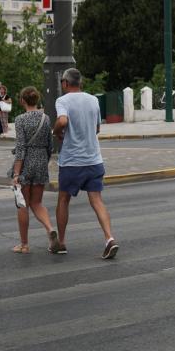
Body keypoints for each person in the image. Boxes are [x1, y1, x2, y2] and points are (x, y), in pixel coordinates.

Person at [53, 68, 119, 259]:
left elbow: (63, 121)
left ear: (65, 83)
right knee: (97, 200)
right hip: (94, 159)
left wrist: (56, 131)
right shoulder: (93, 100)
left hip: (71, 161)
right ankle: (109, 238)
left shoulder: (63, 100)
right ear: (80, 83)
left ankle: (62, 242)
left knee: (63, 199)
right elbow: (97, 128)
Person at [10, 86, 58, 254]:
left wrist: (16, 172)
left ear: (23, 100)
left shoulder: (20, 119)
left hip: (26, 163)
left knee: (23, 204)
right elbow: (50, 145)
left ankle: (24, 244)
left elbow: (21, 146)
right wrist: (43, 161)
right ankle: (50, 228)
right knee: (37, 203)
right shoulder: (46, 118)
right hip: (41, 162)